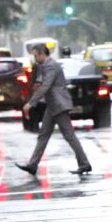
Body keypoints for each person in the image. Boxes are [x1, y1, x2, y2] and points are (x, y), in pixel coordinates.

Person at [15, 43, 92, 176]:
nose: (34, 58)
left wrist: (31, 103)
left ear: (41, 54)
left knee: (69, 136)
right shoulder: (45, 66)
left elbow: (46, 86)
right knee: (43, 136)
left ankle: (84, 164)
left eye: (35, 55)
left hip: (59, 105)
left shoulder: (50, 65)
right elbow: (44, 84)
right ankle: (32, 165)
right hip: (53, 105)